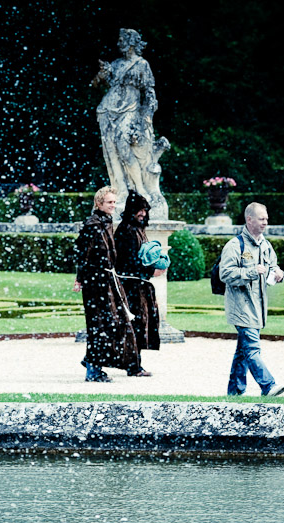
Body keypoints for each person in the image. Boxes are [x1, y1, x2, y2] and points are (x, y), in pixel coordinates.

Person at [92, 28, 170, 220]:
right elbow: (95, 84)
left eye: (122, 40)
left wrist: (147, 117)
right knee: (111, 152)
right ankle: (119, 191)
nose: (119, 44)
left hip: (130, 109)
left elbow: (150, 91)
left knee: (124, 147)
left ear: (132, 42)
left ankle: (140, 188)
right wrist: (103, 75)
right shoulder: (116, 64)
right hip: (107, 110)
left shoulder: (142, 64)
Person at [219, 202, 284, 396]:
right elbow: (225, 274)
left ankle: (235, 392)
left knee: (242, 351)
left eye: (266, 218)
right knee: (252, 349)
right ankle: (268, 386)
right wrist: (250, 271)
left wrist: (279, 273)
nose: (265, 222)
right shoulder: (234, 245)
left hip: (258, 307)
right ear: (249, 220)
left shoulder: (266, 245)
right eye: (261, 219)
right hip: (241, 306)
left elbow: (273, 266)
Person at [73, 186, 138, 382]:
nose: (113, 205)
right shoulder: (93, 225)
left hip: (107, 279)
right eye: (109, 202)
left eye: (114, 202)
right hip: (96, 282)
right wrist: (80, 278)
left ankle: (91, 361)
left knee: (114, 322)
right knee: (99, 324)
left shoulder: (106, 222)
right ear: (99, 203)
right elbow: (82, 254)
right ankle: (93, 369)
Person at [113, 190, 166, 377]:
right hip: (131, 286)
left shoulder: (136, 229)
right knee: (134, 325)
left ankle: (134, 364)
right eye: (139, 210)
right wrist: (151, 271)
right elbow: (129, 261)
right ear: (131, 211)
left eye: (145, 210)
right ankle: (133, 366)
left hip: (138, 285)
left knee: (139, 325)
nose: (143, 214)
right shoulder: (127, 231)